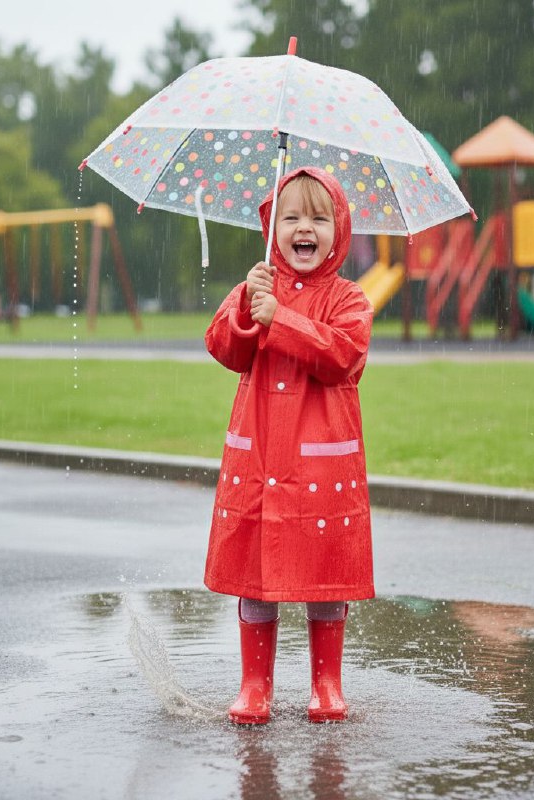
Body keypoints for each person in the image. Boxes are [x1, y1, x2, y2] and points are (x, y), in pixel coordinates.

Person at [204, 165, 375, 725]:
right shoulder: (254, 286)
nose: (305, 228)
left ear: (339, 231)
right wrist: (246, 312)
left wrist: (282, 321)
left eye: (319, 219)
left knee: (321, 571)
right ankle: (255, 686)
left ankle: (327, 683)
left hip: (318, 459)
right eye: (292, 217)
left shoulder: (348, 299)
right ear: (272, 228)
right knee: (257, 572)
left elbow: (343, 355)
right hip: (258, 455)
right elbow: (223, 348)